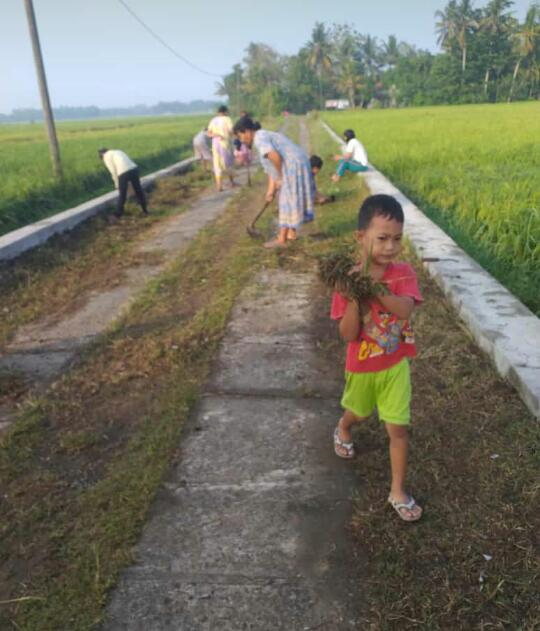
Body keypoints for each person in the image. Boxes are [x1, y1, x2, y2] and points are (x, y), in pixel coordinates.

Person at [331, 194, 423, 522]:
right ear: (361, 238)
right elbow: (348, 334)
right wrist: (357, 295)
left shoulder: (403, 273)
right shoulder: (347, 281)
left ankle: (397, 490)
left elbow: (406, 308)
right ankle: (343, 427)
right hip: (362, 366)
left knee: (397, 428)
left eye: (397, 239)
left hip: (395, 365)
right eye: (382, 238)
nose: (390, 247)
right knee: (358, 412)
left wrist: (376, 288)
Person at [234, 115, 314, 248]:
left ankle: (282, 239)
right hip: (298, 162)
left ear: (247, 131)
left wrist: (282, 176)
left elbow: (275, 157)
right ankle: (291, 233)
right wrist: (270, 192)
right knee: (291, 198)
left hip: (293, 164)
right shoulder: (262, 136)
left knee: (286, 199)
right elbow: (272, 170)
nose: (241, 140)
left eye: (240, 136)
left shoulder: (259, 138)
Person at [98, 148, 148, 217]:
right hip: (134, 169)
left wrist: (117, 184)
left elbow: (113, 172)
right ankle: (145, 210)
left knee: (122, 195)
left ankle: (118, 214)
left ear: (102, 156)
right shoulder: (118, 151)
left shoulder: (106, 157)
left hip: (123, 172)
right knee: (138, 190)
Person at [207, 105, 236, 191]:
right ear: (225, 112)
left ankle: (219, 186)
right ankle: (231, 182)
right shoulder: (227, 119)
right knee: (228, 162)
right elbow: (231, 130)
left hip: (215, 144)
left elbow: (209, 133)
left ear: (218, 112)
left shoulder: (213, 120)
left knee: (217, 163)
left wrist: (216, 135)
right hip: (225, 143)